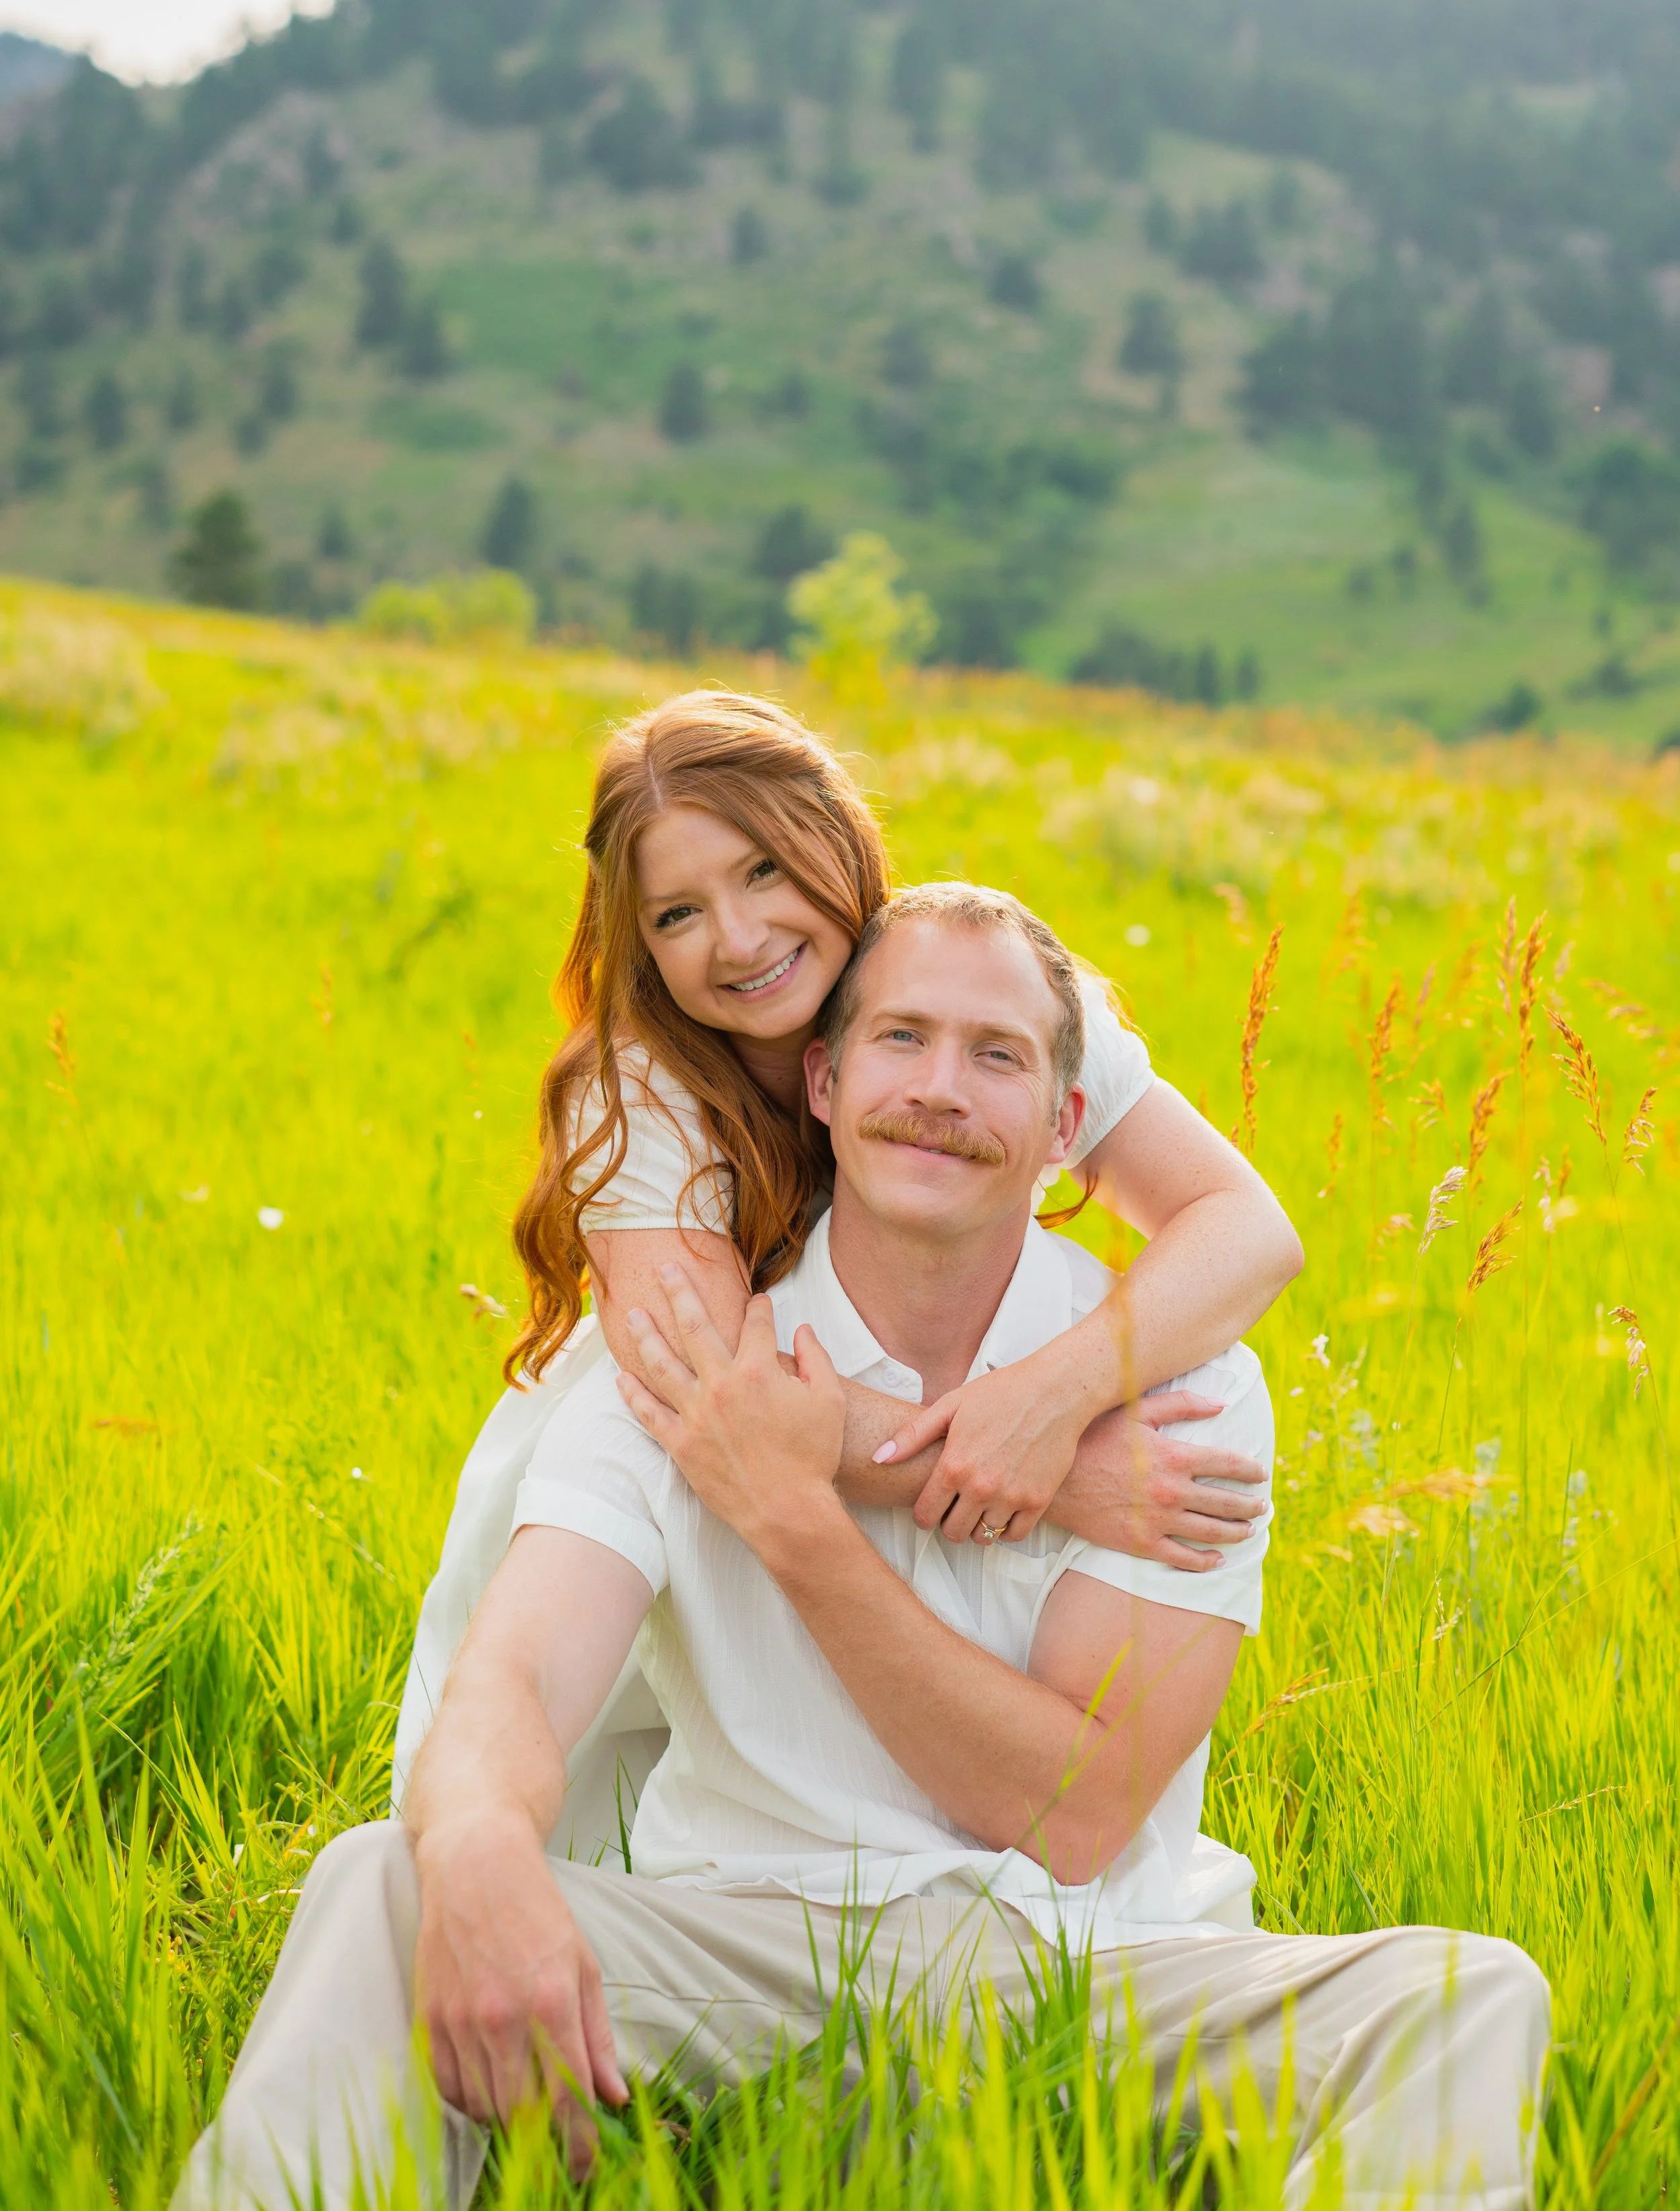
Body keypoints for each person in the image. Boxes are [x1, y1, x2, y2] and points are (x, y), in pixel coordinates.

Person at [176, 887, 1548, 2211]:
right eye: (900, 1038)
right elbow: (517, 1680)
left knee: (1469, 1995)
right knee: (392, 1878)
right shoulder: (682, 1362)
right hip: (756, 1958)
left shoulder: (1179, 1391)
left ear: (1070, 1120)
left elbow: (1073, 1815)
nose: (938, 1089)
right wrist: (476, 1844)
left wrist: (794, 1518)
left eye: (994, 1055)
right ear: (823, 1083)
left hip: (1096, 1974)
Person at [393, 690, 1305, 1855]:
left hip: (874, 1411)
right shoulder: (639, 1093)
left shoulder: (979, 981)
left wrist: (1053, 1396)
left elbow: (1244, 1228)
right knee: (588, 1828)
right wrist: (1051, 1474)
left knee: (833, 1784)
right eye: (678, 912)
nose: (736, 935)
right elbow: (734, 1407)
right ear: (641, 945)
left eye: (765, 869)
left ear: (838, 839)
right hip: (654, 1454)